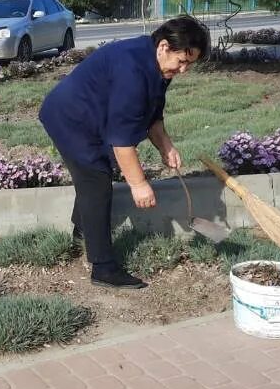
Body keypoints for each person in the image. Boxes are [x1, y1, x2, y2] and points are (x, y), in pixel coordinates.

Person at [39, 15, 210, 289]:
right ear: (164, 46)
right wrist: (139, 184)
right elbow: (121, 141)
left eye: (190, 63)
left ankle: (82, 230)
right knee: (96, 180)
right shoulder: (132, 70)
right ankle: (102, 267)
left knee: (94, 177)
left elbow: (154, 112)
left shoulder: (157, 64)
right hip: (69, 118)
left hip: (92, 115)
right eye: (183, 61)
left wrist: (166, 146)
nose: (184, 70)